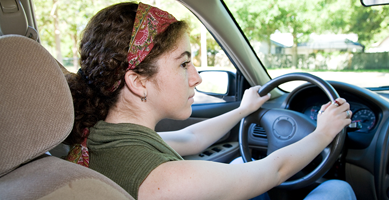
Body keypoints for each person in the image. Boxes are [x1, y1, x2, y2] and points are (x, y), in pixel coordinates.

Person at [65, 2, 356, 200]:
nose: (197, 78)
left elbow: (190, 137)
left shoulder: (105, 136)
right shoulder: (160, 178)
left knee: (243, 159)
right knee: (337, 189)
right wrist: (323, 133)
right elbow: (274, 170)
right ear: (138, 82)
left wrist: (242, 110)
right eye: (183, 64)